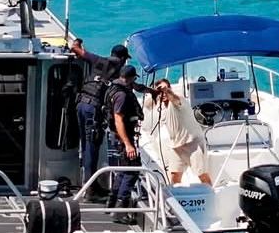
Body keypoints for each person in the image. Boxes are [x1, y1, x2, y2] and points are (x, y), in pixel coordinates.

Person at [69, 39, 129, 191]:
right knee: (92, 147)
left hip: (81, 104)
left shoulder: (97, 60)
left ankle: (89, 183)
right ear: (122, 59)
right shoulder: (120, 71)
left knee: (85, 145)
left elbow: (76, 49)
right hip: (93, 109)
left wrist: (77, 43)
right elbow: (128, 85)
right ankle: (90, 189)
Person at [144, 79, 212, 185]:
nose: (163, 94)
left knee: (202, 174)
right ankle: (176, 195)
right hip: (176, 146)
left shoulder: (179, 99)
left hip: (192, 144)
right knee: (175, 175)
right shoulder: (160, 105)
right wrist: (154, 93)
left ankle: (210, 192)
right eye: (160, 91)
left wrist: (166, 91)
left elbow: (173, 98)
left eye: (165, 89)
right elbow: (146, 106)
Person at [104, 66, 145, 220]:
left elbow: (137, 87)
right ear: (130, 78)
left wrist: (152, 91)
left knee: (122, 169)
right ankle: (120, 211)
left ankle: (111, 203)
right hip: (123, 136)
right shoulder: (121, 95)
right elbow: (118, 119)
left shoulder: (114, 87)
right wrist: (128, 144)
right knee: (132, 170)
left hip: (118, 136)